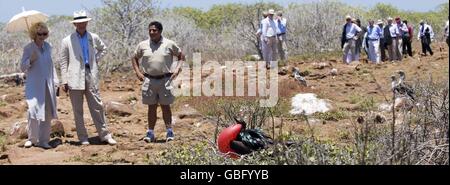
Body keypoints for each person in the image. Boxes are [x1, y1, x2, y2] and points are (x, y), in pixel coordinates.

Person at [59, 10, 117, 145]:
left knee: (97, 105)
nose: (81, 25)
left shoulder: (93, 37)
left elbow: (103, 49)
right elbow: (63, 61)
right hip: (74, 77)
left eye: (83, 22)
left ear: (87, 22)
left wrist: (95, 60)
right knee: (77, 109)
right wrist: (64, 80)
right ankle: (83, 137)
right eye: (78, 23)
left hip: (90, 73)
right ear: (75, 24)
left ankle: (104, 134)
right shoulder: (67, 40)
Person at [131, 21, 186, 143]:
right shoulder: (143, 45)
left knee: (165, 106)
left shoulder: (169, 44)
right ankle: (150, 132)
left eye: (154, 30)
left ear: (160, 31)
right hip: (149, 80)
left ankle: (169, 132)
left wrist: (177, 69)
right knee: (151, 107)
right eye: (150, 30)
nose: (151, 32)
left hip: (165, 79)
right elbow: (134, 57)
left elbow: (181, 56)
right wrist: (138, 72)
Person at [20, 22, 58, 149]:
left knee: (47, 112)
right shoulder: (28, 48)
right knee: (33, 111)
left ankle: (44, 140)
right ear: (34, 34)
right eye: (39, 33)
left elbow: (51, 66)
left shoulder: (48, 46)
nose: (42, 36)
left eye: (44, 33)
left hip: (48, 84)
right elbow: (22, 67)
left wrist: (56, 81)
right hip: (34, 84)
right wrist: (31, 59)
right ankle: (32, 139)